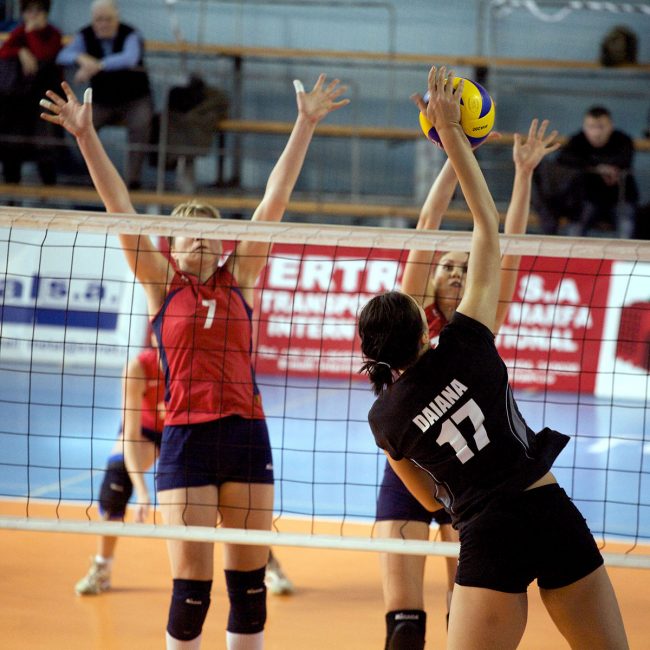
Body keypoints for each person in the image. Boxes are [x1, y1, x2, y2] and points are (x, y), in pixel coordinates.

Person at [41, 74, 348, 649]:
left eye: (209, 232)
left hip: (246, 434)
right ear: (172, 248)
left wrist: (305, 123)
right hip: (184, 439)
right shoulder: (162, 287)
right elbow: (119, 206)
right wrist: (85, 136)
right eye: (187, 234)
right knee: (191, 595)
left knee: (249, 592)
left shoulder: (242, 281)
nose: (200, 240)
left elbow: (274, 200)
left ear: (222, 240)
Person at [358, 65, 629, 650]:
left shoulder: (386, 417)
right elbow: (488, 228)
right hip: (547, 505)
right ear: (422, 325)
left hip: (485, 527)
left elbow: (431, 497)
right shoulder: (470, 341)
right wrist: (456, 138)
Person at [376, 118, 560, 648]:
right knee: (405, 628)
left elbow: (509, 247)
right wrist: (455, 151)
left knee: (467, 620)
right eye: (447, 265)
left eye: (464, 266)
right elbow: (429, 221)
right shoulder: (411, 318)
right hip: (410, 476)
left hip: (470, 483)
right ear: (432, 278)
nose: (457, 272)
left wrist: (522, 175)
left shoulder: (475, 329)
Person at [75, 343, 165, 595]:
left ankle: (263, 561)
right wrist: (142, 491)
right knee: (116, 482)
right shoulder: (138, 369)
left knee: (222, 488)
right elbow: (130, 436)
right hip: (145, 434)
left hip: (182, 433)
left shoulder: (193, 366)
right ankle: (102, 568)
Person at [55, 0, 153, 190]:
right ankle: (92, 176)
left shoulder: (130, 34)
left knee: (141, 124)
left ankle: (132, 180)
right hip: (102, 100)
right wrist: (80, 57)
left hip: (135, 98)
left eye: (108, 19)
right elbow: (62, 55)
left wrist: (98, 65)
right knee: (79, 126)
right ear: (93, 20)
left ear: (117, 18)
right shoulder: (85, 34)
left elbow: (130, 57)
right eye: (99, 20)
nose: (103, 24)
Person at [533, 105, 638, 238]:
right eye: (591, 127)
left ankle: (624, 259)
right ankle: (570, 259)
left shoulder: (623, 140)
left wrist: (598, 166)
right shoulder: (578, 141)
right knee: (575, 229)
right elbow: (564, 159)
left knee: (627, 225)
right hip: (588, 200)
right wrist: (597, 167)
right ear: (584, 127)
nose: (596, 132)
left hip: (620, 199)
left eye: (600, 127)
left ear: (610, 126)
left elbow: (623, 160)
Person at [0, 0, 61, 185]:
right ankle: (11, 185)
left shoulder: (53, 34)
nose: (32, 16)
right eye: (29, 11)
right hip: (19, 97)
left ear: (45, 13)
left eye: (37, 11)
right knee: (10, 136)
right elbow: (4, 51)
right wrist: (21, 50)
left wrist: (31, 33)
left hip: (44, 94)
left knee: (44, 140)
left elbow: (44, 54)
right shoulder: (20, 31)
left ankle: (49, 186)